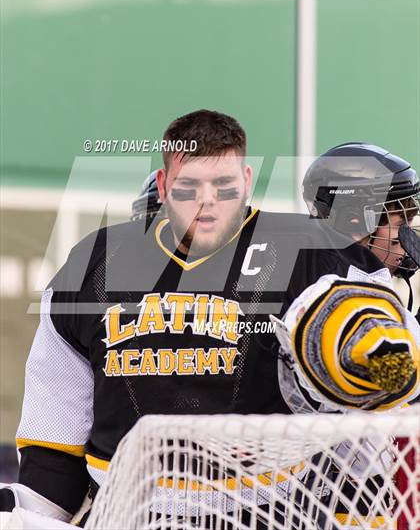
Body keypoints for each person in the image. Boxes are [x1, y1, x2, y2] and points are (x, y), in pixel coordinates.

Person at [0, 111, 418, 528]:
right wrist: (33, 515)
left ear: (248, 181)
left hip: (268, 512)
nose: (207, 203)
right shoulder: (90, 268)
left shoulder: (315, 259)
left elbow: (396, 374)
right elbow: (54, 445)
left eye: (224, 186)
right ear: (163, 187)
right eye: (189, 188)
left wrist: (370, 355)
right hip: (127, 515)